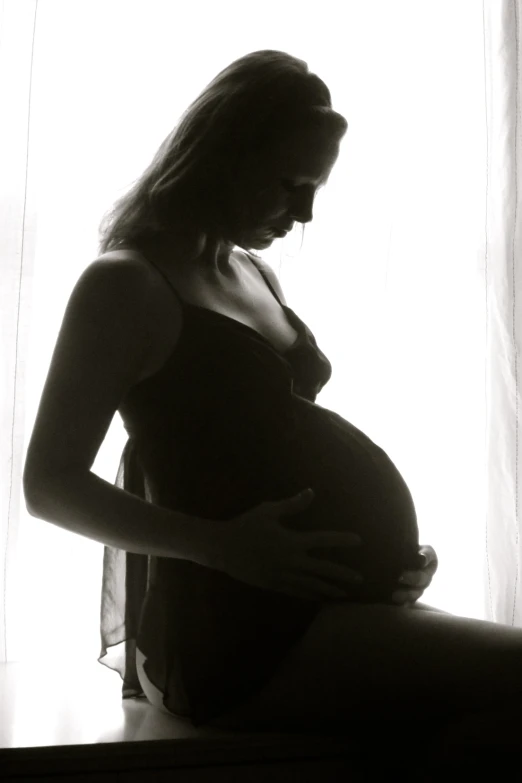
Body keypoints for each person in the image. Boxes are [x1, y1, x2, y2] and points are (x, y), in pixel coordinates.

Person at [22, 50, 522, 745]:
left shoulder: (253, 271)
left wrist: (385, 560)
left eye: (316, 188)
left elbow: (269, 446)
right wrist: (221, 547)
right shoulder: (125, 285)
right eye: (291, 183)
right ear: (225, 154)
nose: (305, 212)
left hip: (315, 608)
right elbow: (48, 485)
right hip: (234, 634)